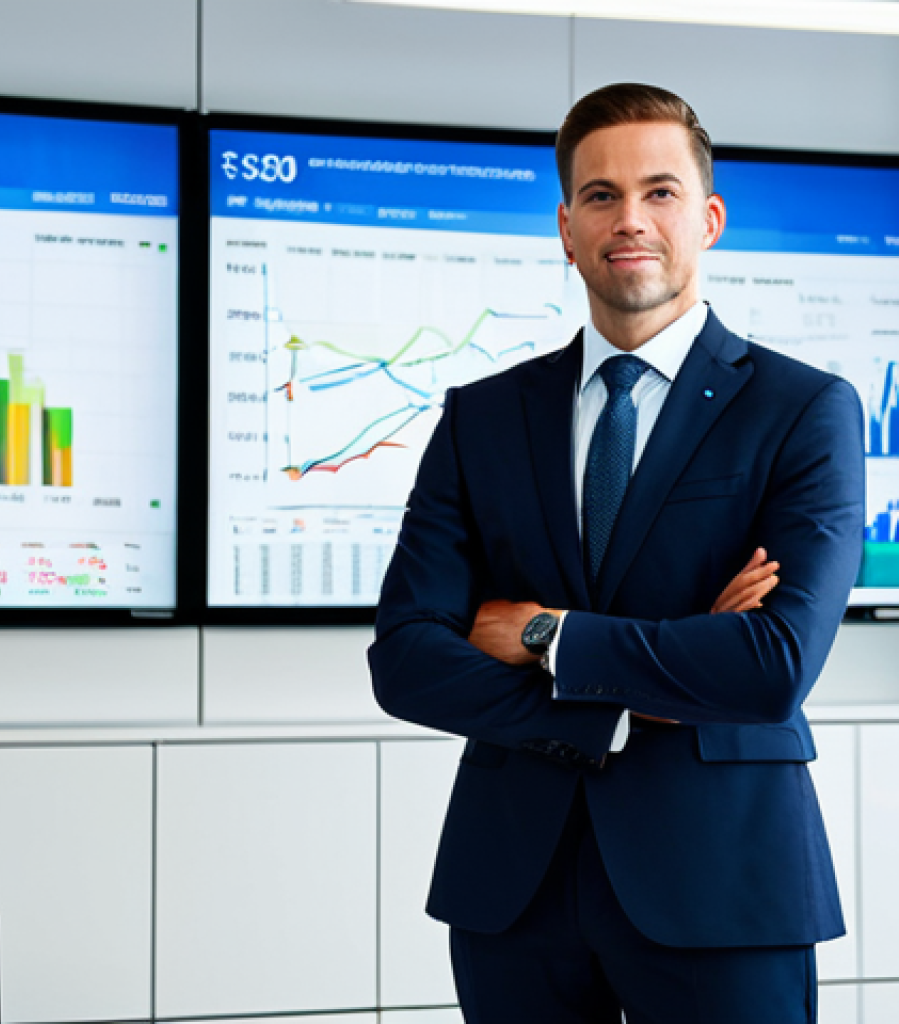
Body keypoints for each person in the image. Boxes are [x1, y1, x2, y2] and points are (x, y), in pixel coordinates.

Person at [368, 82, 865, 1024]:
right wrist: (638, 695)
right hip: (514, 886)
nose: (629, 218)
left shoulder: (802, 410)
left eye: (659, 192)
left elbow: (771, 665)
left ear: (708, 219)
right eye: (601, 195)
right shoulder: (483, 417)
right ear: (567, 227)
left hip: (722, 883)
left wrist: (547, 635)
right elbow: (405, 659)